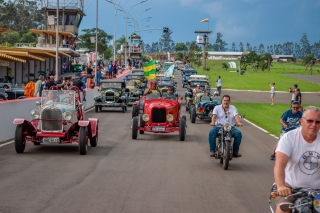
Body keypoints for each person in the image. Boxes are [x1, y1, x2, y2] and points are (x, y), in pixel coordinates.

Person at [274, 106, 320, 213]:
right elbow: (280, 164)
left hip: (317, 192)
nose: (314, 125)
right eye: (310, 121)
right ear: (301, 121)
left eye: (318, 122)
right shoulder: (289, 138)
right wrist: (281, 186)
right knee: (282, 210)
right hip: (291, 189)